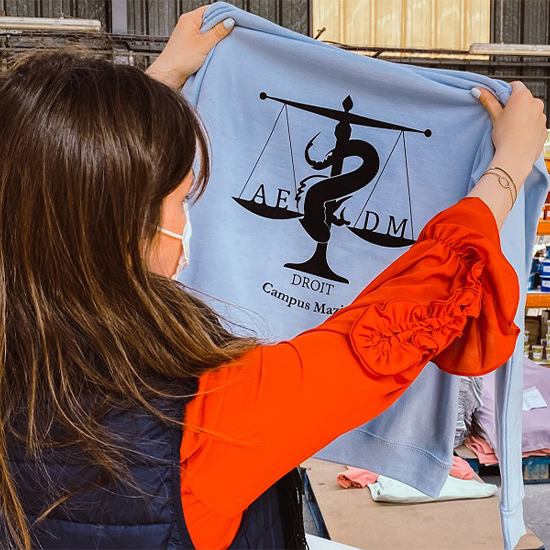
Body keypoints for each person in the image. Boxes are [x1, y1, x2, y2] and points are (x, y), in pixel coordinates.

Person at [0, 6, 546, 550]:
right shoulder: (207, 423)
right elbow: (382, 337)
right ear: (124, 224)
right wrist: (507, 169)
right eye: (182, 199)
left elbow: (59, 188)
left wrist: (162, 77)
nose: (187, 220)